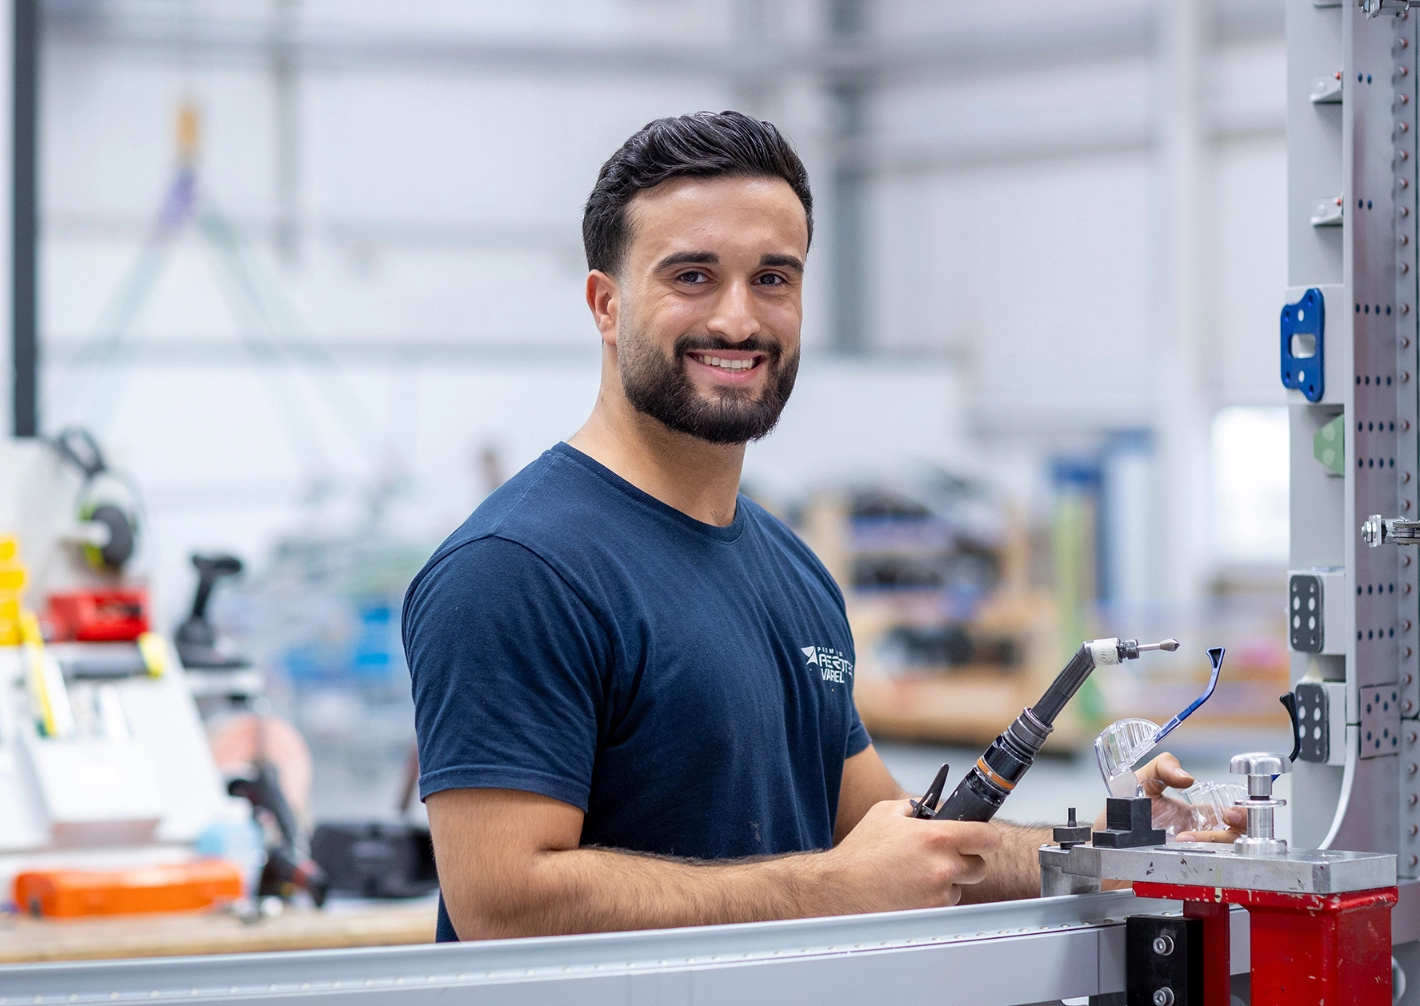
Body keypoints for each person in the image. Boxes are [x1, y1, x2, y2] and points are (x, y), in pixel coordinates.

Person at [402, 111, 1241, 942]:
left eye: (773, 278)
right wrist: (831, 888)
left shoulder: (791, 569)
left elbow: (906, 845)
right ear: (605, 305)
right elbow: (502, 902)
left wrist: (1116, 847)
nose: (738, 320)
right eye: (692, 276)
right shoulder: (516, 569)